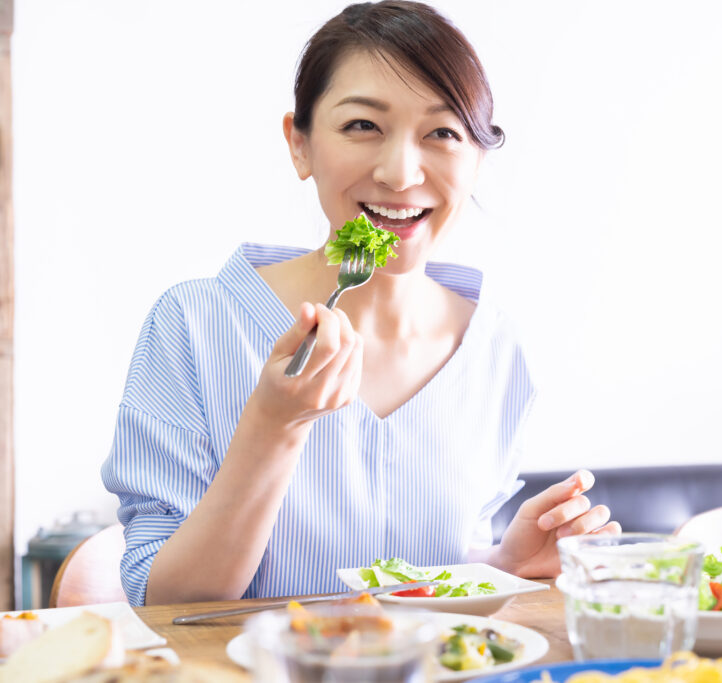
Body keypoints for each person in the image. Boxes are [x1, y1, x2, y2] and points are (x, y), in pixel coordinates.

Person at [101, 0, 620, 607]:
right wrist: (273, 428)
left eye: (443, 133)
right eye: (362, 126)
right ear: (300, 144)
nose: (400, 173)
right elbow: (166, 603)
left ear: (477, 158)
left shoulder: (496, 348)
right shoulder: (193, 325)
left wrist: (501, 564)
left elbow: (428, 577)